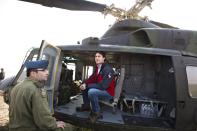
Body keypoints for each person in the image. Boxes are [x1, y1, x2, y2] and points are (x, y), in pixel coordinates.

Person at [9, 60, 66, 131]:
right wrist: (53, 124)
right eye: (43, 70)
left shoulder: (17, 86)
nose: (47, 72)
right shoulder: (36, 89)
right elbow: (42, 117)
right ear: (33, 73)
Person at [76, 52, 116, 123]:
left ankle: (96, 113)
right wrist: (84, 84)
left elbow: (103, 86)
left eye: (99, 56)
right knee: (84, 85)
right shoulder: (98, 68)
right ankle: (86, 106)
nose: (97, 58)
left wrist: (87, 86)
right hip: (102, 89)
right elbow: (92, 78)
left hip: (108, 93)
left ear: (104, 58)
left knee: (91, 92)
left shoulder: (108, 69)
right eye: (96, 56)